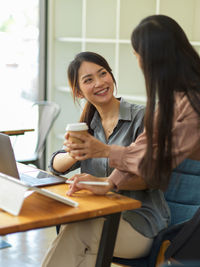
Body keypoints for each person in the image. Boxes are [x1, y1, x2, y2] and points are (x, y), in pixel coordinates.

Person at [45, 14, 200, 266]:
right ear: (78, 91)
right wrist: (107, 182)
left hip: (145, 221)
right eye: (88, 80)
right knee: (80, 242)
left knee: (80, 233)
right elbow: (144, 148)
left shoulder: (188, 104)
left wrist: (104, 153)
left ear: (153, 58)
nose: (137, 62)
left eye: (137, 54)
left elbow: (154, 163)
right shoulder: (168, 104)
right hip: (111, 214)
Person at [42, 50, 170, 267]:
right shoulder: (89, 126)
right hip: (99, 218)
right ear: (79, 92)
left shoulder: (144, 117)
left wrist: (104, 179)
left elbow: (150, 176)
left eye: (103, 74)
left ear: (111, 75)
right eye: (89, 80)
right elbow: (55, 165)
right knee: (84, 257)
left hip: (141, 225)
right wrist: (75, 154)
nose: (100, 82)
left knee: (75, 231)